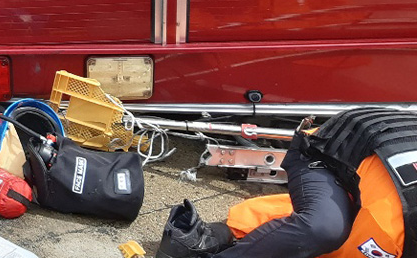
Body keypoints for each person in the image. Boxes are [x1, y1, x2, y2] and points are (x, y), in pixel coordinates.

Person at [156, 107, 412, 258]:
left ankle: (237, 230)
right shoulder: (390, 231)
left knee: (337, 215)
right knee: (323, 229)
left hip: (374, 153)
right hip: (323, 151)